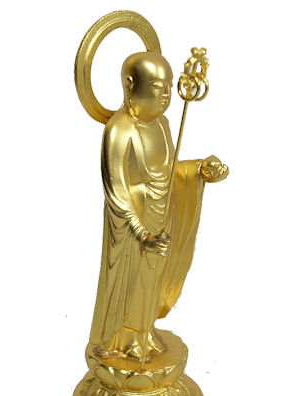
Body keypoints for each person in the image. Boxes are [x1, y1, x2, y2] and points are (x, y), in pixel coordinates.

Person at [89, 51, 228, 362]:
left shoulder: (163, 124)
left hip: (161, 214)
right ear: (130, 85)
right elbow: (116, 190)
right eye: (156, 87)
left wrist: (199, 170)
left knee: (152, 278)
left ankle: (144, 331)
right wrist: (141, 234)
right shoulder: (119, 129)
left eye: (168, 87)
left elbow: (170, 172)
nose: (165, 96)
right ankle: (123, 339)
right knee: (131, 279)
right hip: (130, 227)